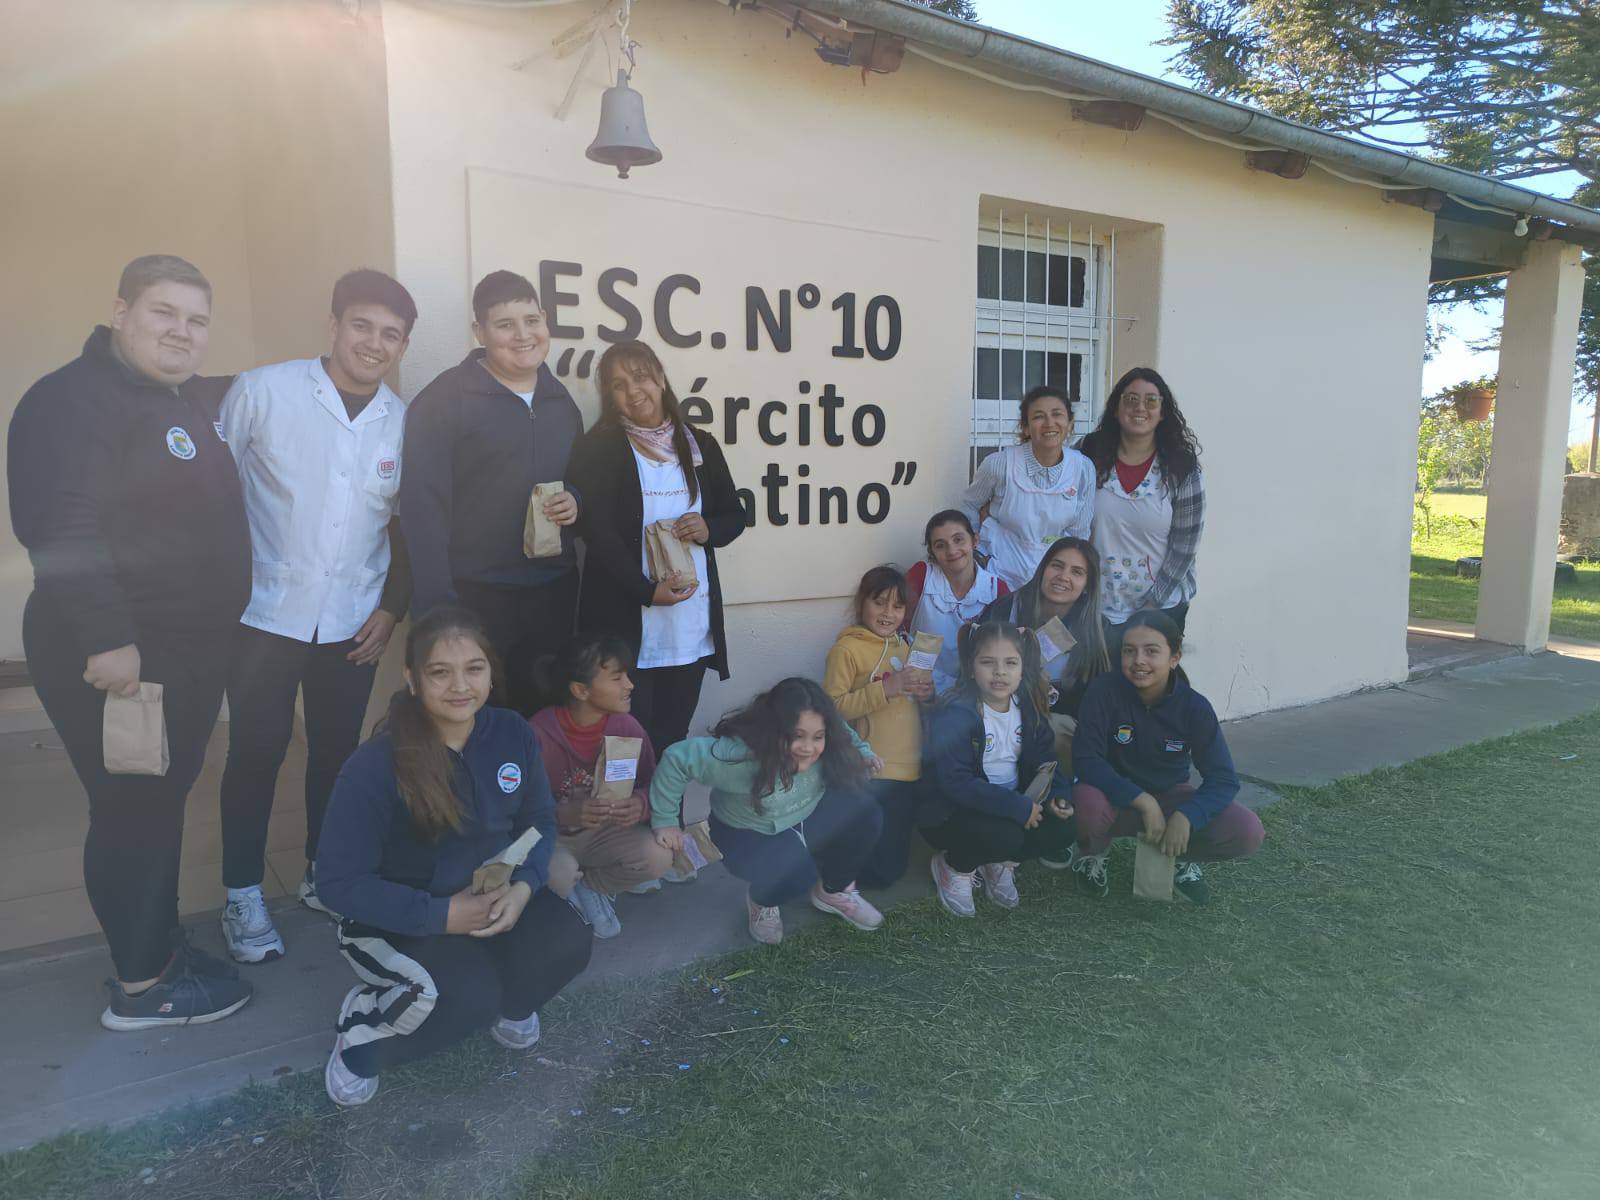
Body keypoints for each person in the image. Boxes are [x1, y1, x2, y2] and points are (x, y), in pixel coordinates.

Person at [7, 255, 253, 1028]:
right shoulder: (72, 400)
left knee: (155, 802)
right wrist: (108, 639)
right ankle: (145, 987)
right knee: (133, 810)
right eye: (163, 312)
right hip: (120, 656)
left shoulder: (170, 398)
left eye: (197, 320)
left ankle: (154, 943)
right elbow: (60, 525)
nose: (182, 331)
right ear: (120, 312)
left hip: (176, 650)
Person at [216, 269, 418, 963]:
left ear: (402, 346)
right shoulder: (262, 392)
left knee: (335, 755)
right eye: (361, 325)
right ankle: (242, 894)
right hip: (263, 615)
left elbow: (404, 528)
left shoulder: (402, 422)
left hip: (352, 624)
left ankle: (320, 876)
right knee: (256, 753)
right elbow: (209, 499)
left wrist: (391, 608)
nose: (374, 343)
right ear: (333, 326)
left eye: (391, 334)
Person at [316, 607, 592, 1108]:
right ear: (413, 679)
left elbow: (539, 820)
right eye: (440, 672)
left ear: (490, 672)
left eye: (474, 668)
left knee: (569, 939)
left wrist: (523, 888)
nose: (460, 686)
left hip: (490, 896)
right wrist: (442, 915)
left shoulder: (511, 732)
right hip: (396, 918)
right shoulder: (374, 765)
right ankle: (360, 1034)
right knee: (466, 1001)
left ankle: (512, 1003)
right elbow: (337, 883)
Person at [399, 271, 582, 715]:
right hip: (474, 598)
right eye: (505, 325)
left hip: (551, 594)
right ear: (479, 332)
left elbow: (582, 479)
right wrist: (437, 611)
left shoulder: (561, 401)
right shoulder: (444, 400)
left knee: (541, 721)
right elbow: (422, 512)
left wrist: (577, 499)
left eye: (531, 320)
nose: (523, 335)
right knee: (474, 723)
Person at [567, 340, 745, 752]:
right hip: (626, 627)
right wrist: (647, 592)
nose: (633, 391)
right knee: (623, 746)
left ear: (661, 378)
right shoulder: (599, 448)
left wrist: (707, 528)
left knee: (671, 744)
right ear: (609, 397)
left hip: (688, 628)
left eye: (641, 377)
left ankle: (665, 799)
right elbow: (597, 533)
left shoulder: (700, 444)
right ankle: (631, 800)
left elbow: (734, 516)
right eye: (619, 385)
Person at [650, 678, 884, 945]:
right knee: (797, 876)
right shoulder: (737, 756)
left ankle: (833, 890)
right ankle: (762, 901)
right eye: (797, 736)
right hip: (746, 830)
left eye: (817, 737)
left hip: (804, 811)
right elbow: (677, 759)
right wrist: (666, 820)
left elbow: (840, 729)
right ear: (774, 730)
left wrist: (863, 753)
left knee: (866, 814)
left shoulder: (827, 739)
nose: (809, 748)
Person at [1070, 610, 1263, 906]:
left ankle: (1179, 856)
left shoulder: (1194, 707)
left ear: (1174, 658)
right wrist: (1142, 801)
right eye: (1129, 651)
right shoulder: (1103, 691)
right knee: (1084, 803)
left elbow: (1223, 779)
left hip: (1170, 798)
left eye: (1151, 651)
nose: (1139, 660)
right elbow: (1087, 760)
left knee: (1246, 830)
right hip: (1114, 796)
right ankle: (1092, 854)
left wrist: (1187, 816)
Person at [920, 621, 1075, 916]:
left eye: (1010, 663)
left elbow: (1045, 759)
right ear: (971, 667)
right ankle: (955, 867)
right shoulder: (956, 714)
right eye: (988, 662)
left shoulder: (1028, 708)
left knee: (1063, 828)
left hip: (1010, 804)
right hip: (953, 812)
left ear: (1023, 668)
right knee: (1005, 836)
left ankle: (1000, 862)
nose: (1000, 672)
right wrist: (1016, 807)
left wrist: (1059, 794)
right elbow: (956, 783)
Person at [528, 633, 672, 939]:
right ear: (581, 690)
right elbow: (515, 808)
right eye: (617, 678)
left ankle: (591, 887)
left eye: (627, 676)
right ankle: (566, 901)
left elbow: (654, 785)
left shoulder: (627, 728)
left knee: (658, 857)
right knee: (557, 874)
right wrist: (564, 813)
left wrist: (640, 804)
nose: (630, 685)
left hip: (604, 834)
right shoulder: (536, 733)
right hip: (553, 837)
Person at [1076, 367, 1205, 647]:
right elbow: (1055, 495)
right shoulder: (1088, 452)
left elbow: (1185, 546)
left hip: (1160, 609)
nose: (1140, 408)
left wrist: (1152, 605)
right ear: (1116, 408)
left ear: (1163, 412)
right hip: (1094, 609)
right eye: (1131, 399)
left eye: (1151, 401)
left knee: (1145, 676)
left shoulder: (1182, 467)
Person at [822, 566, 933, 889]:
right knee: (872, 866)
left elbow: (912, 703)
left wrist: (926, 694)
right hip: (870, 769)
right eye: (879, 602)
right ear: (862, 603)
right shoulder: (846, 649)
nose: (888, 613)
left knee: (889, 871)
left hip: (907, 769)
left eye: (897, 606)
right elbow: (831, 709)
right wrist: (884, 689)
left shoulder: (905, 647)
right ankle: (833, 879)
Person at [979, 536, 1111, 784]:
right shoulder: (1006, 609)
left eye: (1077, 572)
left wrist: (1047, 696)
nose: (1063, 576)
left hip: (1056, 722)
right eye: (1057, 566)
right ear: (1043, 569)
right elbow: (973, 669)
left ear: (1087, 586)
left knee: (1058, 729)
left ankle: (1056, 795)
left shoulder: (1098, 629)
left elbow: (1097, 701)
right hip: (999, 712)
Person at [960, 384, 1095, 590]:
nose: (1049, 423)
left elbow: (1079, 533)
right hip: (997, 570)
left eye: (1057, 414)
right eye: (1039, 416)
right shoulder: (999, 464)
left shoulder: (1083, 468)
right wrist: (977, 554)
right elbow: (969, 506)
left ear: (1070, 423)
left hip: (1053, 577)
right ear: (1025, 427)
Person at [904, 509, 1008, 696]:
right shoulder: (921, 576)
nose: (951, 551)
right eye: (940, 545)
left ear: (975, 541)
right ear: (932, 552)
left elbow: (1005, 646)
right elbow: (895, 631)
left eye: (958, 540)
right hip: (919, 690)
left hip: (973, 695)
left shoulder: (996, 588)